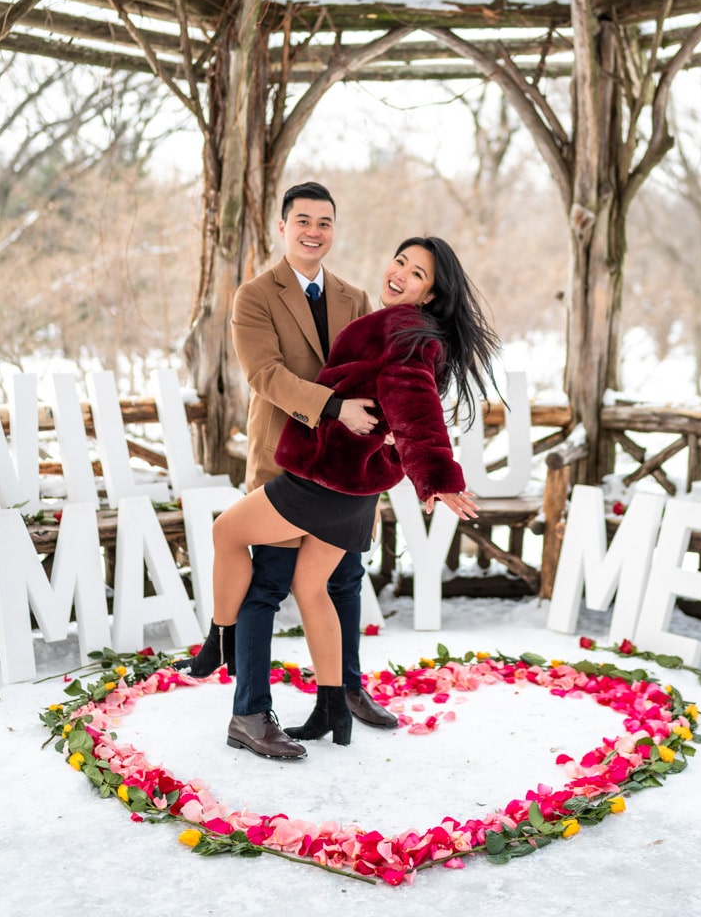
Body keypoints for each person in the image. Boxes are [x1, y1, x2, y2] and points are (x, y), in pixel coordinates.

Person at [189, 231, 500, 752]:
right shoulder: (407, 327)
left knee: (226, 532)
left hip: (324, 479)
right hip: (356, 485)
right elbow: (400, 412)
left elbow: (414, 407)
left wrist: (439, 474)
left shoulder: (401, 328)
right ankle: (334, 707)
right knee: (311, 590)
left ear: (429, 294)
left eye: (416, 273)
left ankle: (219, 639)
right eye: (399, 261)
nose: (399, 273)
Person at [185, 181, 391, 762]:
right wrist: (334, 407)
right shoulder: (255, 296)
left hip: (351, 470)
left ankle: (343, 692)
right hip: (286, 465)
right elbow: (265, 375)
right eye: (303, 220)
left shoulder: (353, 297)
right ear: (282, 226)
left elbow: (377, 375)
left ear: (334, 229)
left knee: (344, 582)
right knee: (269, 585)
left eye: (325, 222)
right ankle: (249, 713)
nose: (314, 231)